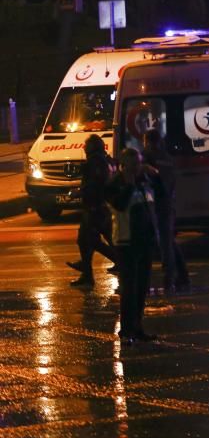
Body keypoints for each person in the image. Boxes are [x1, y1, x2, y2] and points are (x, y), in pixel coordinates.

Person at [106, 148, 161, 345]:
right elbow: (119, 205)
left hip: (144, 240)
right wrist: (129, 186)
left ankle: (137, 327)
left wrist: (154, 175)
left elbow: (153, 203)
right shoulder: (115, 184)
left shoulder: (143, 180)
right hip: (126, 240)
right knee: (129, 288)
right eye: (133, 165)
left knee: (141, 287)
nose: (136, 168)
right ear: (124, 165)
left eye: (138, 164)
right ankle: (127, 329)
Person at [66, 134, 117, 287]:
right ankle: (87, 272)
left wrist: (79, 192)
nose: (84, 147)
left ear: (92, 147)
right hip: (101, 206)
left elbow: (94, 184)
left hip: (95, 207)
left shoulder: (95, 162)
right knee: (94, 239)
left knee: (88, 240)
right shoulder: (104, 160)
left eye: (86, 145)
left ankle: (89, 272)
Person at [142, 129, 189, 293]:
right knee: (169, 241)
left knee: (163, 244)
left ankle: (169, 280)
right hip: (168, 202)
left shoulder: (147, 156)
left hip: (155, 204)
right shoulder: (166, 157)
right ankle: (182, 275)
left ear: (147, 140)